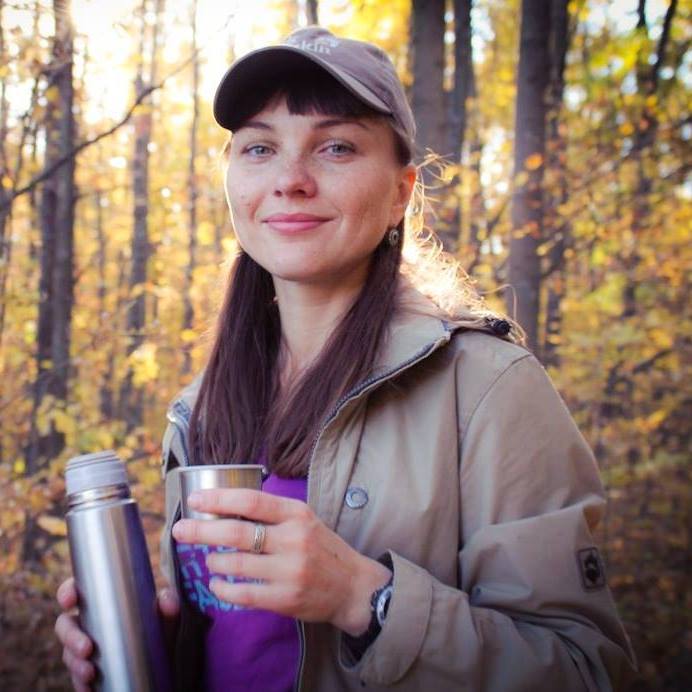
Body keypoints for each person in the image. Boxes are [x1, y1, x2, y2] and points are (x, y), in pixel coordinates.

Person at [55, 27, 636, 692]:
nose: (290, 181)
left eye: (336, 147)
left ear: (400, 192)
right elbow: (243, 646)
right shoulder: (201, 405)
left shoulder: (488, 387)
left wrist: (365, 598)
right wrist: (158, 649)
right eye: (260, 148)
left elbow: (585, 670)